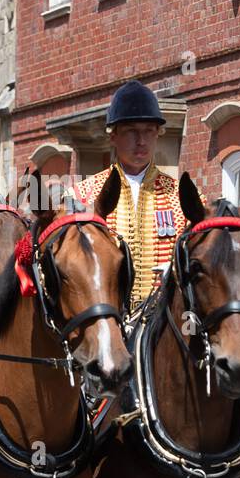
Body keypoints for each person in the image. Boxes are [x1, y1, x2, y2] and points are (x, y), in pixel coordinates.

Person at [72, 80, 189, 309]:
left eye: (149, 131)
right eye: (131, 132)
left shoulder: (180, 196)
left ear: (158, 134)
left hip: (164, 327)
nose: (141, 141)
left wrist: (176, 269)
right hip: (104, 317)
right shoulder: (82, 195)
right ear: (113, 136)